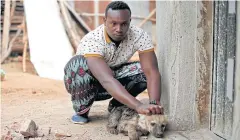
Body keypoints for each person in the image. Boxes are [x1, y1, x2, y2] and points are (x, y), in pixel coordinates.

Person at [64, 1, 163, 124]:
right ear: (104, 21)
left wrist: (154, 104)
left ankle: (117, 104)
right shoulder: (93, 40)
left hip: (114, 75)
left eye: (123, 24)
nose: (119, 29)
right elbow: (106, 79)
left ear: (130, 21)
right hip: (87, 83)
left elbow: (151, 72)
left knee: (142, 69)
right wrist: (138, 106)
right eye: (114, 23)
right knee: (77, 63)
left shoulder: (139, 35)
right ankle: (82, 111)